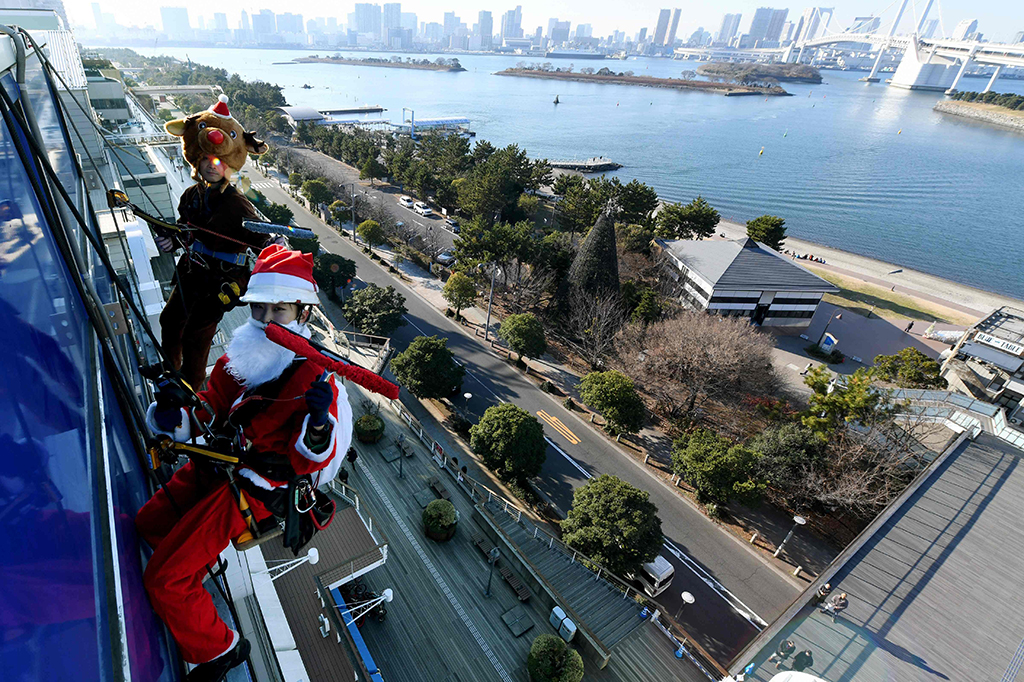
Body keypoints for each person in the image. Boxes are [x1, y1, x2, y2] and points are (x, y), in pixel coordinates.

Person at [137, 245, 352, 681]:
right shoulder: (241, 354)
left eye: (281, 309)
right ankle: (188, 564)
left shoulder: (314, 377)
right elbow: (210, 407)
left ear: (303, 314)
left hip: (252, 491)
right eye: (260, 308)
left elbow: (312, 458)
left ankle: (220, 649)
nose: (268, 319)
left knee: (165, 580)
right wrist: (175, 409)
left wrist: (316, 423)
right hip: (215, 465)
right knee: (150, 524)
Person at [156, 95, 273, 391]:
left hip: (221, 280)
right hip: (192, 272)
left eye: (218, 161)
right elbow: (185, 229)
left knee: (197, 333)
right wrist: (172, 239)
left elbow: (263, 242)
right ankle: (170, 370)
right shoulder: (191, 196)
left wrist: (275, 246)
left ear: (228, 165)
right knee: (170, 320)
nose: (211, 165)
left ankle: (191, 387)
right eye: (206, 160)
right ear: (198, 160)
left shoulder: (237, 205)